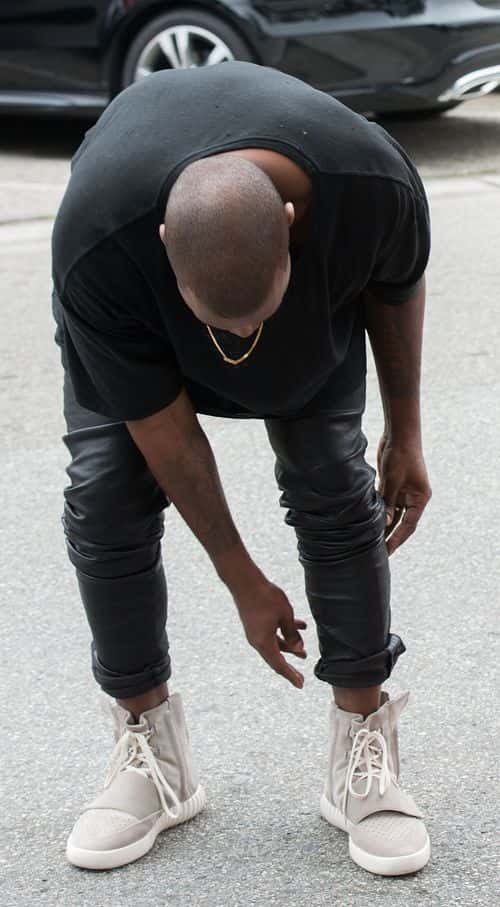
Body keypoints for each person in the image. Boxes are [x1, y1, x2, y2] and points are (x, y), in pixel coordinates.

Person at [51, 61, 432, 876]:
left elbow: (395, 290)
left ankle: (362, 746)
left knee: (333, 479)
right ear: (162, 246)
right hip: (136, 304)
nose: (234, 351)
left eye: (253, 320)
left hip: (310, 298)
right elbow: (169, 435)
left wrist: (407, 429)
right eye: (218, 327)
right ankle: (149, 749)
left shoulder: (371, 184)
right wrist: (240, 577)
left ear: (292, 223)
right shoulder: (99, 244)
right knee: (104, 492)